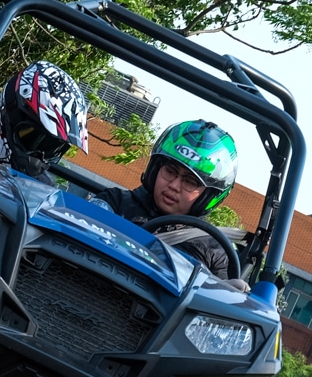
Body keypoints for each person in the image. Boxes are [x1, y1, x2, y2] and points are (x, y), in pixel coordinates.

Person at [90, 119, 240, 281]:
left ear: (208, 196)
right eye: (170, 171)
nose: (174, 185)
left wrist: (230, 290)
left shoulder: (214, 251)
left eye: (190, 181)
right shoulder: (115, 203)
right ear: (155, 169)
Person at [0, 61, 90, 178]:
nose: (38, 159)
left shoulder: (41, 190)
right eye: (31, 138)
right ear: (10, 115)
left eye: (51, 149)